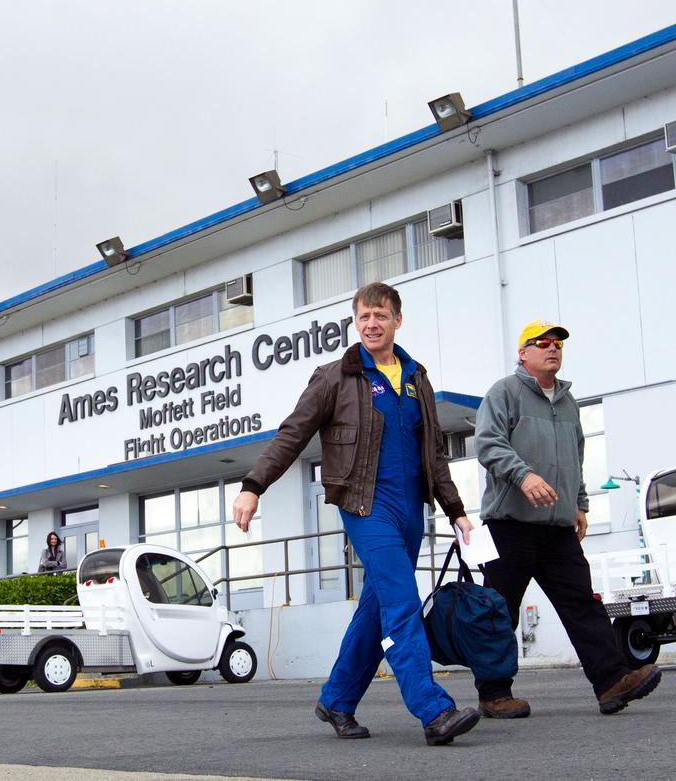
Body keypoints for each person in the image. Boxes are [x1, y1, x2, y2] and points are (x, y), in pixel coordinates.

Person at [233, 282, 479, 746]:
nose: (371, 324)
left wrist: (456, 510)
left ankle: (337, 699)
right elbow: (292, 434)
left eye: (381, 316)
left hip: (412, 511)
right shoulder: (335, 377)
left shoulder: (416, 377)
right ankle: (432, 709)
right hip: (367, 507)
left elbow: (434, 454)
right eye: (364, 316)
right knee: (403, 601)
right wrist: (253, 486)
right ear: (355, 320)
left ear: (397, 321)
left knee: (375, 609)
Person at [472, 320, 661, 718]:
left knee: (583, 604)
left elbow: (575, 457)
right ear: (523, 353)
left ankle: (612, 682)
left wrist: (579, 504)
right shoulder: (504, 392)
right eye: (541, 342)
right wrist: (523, 475)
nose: (552, 348)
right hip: (510, 525)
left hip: (556, 529)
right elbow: (488, 444)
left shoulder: (568, 403)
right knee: (499, 613)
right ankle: (493, 693)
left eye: (557, 343)